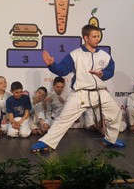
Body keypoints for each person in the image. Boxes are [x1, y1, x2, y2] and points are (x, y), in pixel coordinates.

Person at [31, 24, 125, 152]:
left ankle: (110, 139)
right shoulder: (75, 54)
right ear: (86, 38)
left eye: (98, 36)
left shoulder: (104, 55)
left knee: (115, 113)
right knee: (64, 119)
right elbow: (63, 69)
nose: (97, 39)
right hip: (81, 93)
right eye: (94, 36)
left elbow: (110, 70)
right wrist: (52, 65)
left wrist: (103, 74)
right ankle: (45, 142)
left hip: (100, 93)